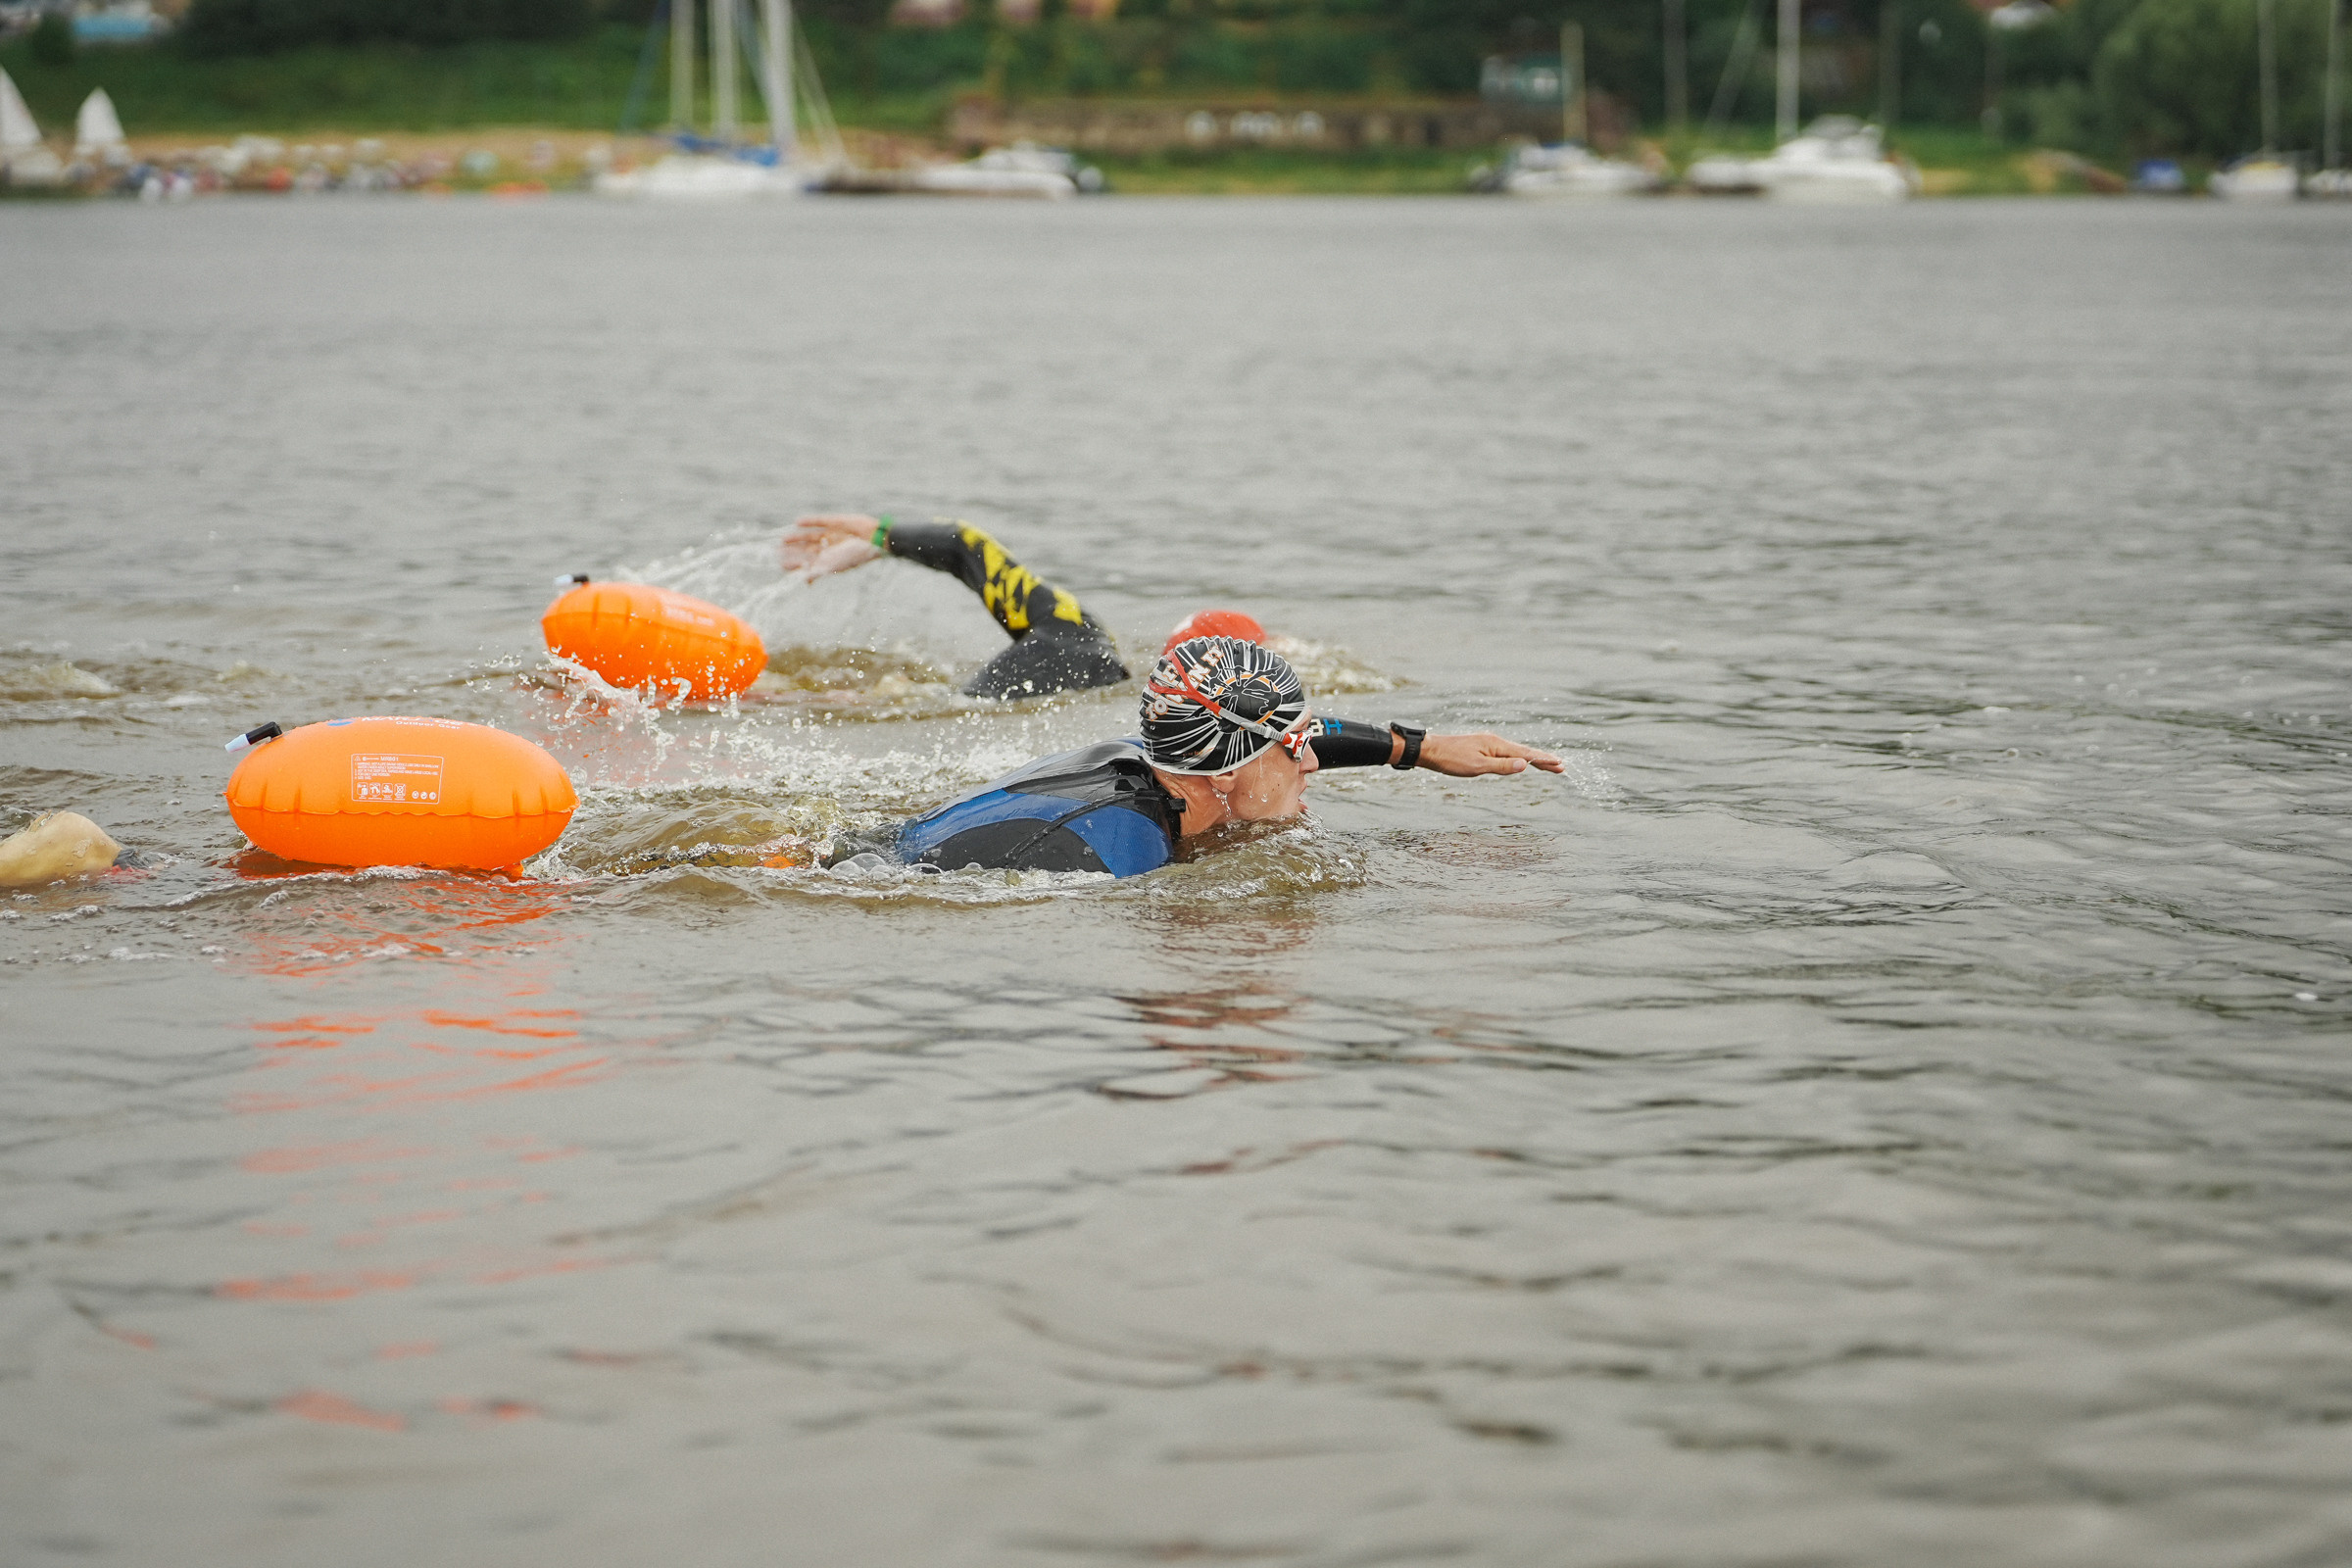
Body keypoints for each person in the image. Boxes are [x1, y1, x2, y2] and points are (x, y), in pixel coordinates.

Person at [840, 634, 1562, 879]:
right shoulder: (1119, 849)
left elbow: (1287, 736)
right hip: (877, 870)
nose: (1312, 762)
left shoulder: (1158, 754)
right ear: (1228, 770)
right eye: (1295, 749)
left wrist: (1420, 749)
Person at [783, 513, 1136, 700]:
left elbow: (964, 542)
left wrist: (880, 535)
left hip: (1074, 641)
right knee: (938, 701)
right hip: (1076, 644)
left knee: (941, 705)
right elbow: (962, 545)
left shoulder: (1078, 644)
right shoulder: (1085, 647)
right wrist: (879, 540)